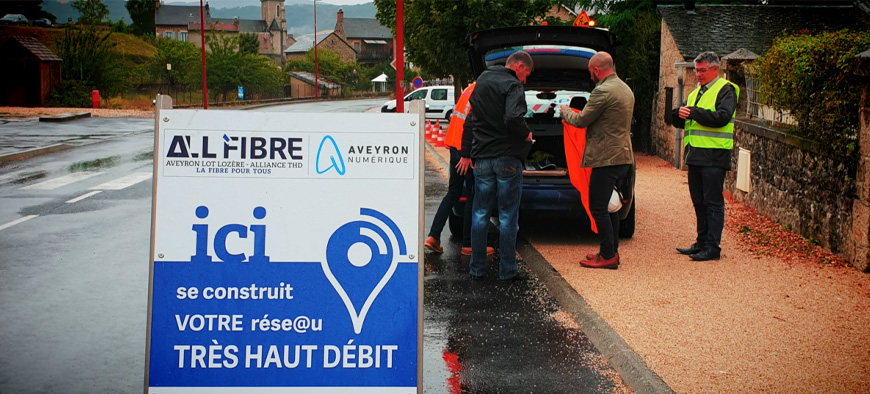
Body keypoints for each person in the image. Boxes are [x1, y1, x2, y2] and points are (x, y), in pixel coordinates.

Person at [460, 51, 534, 281]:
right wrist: (527, 135)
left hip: (482, 158)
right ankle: (507, 271)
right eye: (526, 75)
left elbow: (471, 119)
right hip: (506, 159)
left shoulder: (482, 80)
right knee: (507, 216)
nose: (525, 80)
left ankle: (477, 269)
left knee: (480, 214)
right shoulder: (513, 86)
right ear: (519, 66)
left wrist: (468, 151)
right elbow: (513, 118)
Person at [559, 51, 635, 270]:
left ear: (596, 70)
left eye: (590, 71)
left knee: (598, 207)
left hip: (605, 158)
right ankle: (609, 250)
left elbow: (582, 120)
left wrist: (565, 112)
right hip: (622, 156)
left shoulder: (602, 91)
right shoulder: (624, 88)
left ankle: (608, 256)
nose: (590, 75)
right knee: (610, 207)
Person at [671, 51, 739, 261]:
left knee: (713, 203)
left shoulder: (726, 90)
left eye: (702, 70)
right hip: (695, 155)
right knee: (699, 202)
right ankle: (701, 242)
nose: (698, 74)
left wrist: (693, 112)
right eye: (697, 70)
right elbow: (684, 117)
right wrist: (678, 114)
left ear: (714, 69)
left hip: (714, 156)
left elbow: (722, 117)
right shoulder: (696, 92)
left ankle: (712, 247)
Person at [424, 82, 494, 256]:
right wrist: (467, 154)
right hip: (466, 151)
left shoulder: (469, 89)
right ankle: (469, 244)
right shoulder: (483, 90)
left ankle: (433, 236)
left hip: (456, 147)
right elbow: (471, 125)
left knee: (453, 193)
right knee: (472, 196)